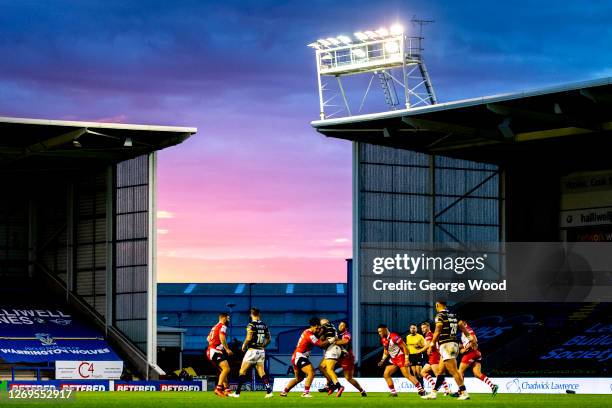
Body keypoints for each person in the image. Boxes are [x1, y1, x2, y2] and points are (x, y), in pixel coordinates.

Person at [422, 300, 471, 401]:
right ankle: (434, 393)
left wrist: (431, 344)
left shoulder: (440, 316)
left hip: (446, 345)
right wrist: (471, 339)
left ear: (437, 305)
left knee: (454, 371)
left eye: (436, 306)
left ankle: (464, 393)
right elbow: (463, 328)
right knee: (440, 371)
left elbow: (438, 330)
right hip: (454, 344)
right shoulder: (454, 315)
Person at [280, 317, 332, 398]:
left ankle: (284, 392)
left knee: (299, 379)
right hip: (299, 356)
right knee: (311, 372)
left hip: (296, 356)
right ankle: (305, 393)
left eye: (319, 328)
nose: (318, 329)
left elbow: (318, 335)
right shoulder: (309, 335)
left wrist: (323, 330)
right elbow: (321, 344)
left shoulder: (309, 332)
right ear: (312, 326)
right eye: (317, 328)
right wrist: (332, 339)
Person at [230, 308, 274, 398]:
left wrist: (244, 345)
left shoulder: (251, 325)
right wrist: (263, 346)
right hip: (261, 351)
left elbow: (249, 338)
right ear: (259, 314)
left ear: (251, 314)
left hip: (252, 351)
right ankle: (269, 391)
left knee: (242, 371)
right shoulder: (264, 325)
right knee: (261, 372)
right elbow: (269, 339)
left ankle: (237, 393)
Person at [377, 324, 426, 397]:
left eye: (380, 331)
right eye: (379, 332)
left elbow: (405, 347)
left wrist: (406, 360)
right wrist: (382, 360)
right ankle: (394, 393)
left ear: (385, 330)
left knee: (407, 375)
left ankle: (421, 390)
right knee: (386, 374)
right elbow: (386, 351)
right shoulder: (383, 339)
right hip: (393, 359)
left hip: (401, 357)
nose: (379, 333)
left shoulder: (394, 337)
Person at [458, 320, 498, 396]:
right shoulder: (464, 331)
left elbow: (474, 340)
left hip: (471, 352)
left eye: (460, 324)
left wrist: (466, 348)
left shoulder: (468, 329)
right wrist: (461, 347)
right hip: (476, 353)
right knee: (477, 374)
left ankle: (461, 391)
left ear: (464, 323)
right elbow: (468, 342)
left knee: (460, 371)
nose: (459, 326)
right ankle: (493, 386)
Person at [417, 321, 451, 395]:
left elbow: (428, 345)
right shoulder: (428, 335)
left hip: (434, 356)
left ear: (428, 327)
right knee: (423, 372)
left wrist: (420, 350)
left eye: (424, 327)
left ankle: (447, 389)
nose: (422, 329)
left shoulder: (429, 334)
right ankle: (433, 385)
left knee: (438, 374)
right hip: (432, 356)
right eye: (422, 328)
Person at [206, 313, 234, 398]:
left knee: (223, 370)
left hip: (211, 350)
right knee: (226, 368)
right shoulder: (223, 326)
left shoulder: (214, 327)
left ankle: (226, 390)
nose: (229, 320)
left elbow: (208, 338)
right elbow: (222, 337)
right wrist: (227, 349)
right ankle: (218, 389)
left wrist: (213, 345)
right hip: (214, 351)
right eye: (228, 318)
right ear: (224, 318)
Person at [335, 321, 366, 396]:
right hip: (339, 357)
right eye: (340, 324)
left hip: (347, 357)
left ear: (346, 328)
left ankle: (362, 391)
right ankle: (331, 386)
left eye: (342, 325)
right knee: (327, 368)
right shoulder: (336, 334)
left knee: (348, 378)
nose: (340, 326)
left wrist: (334, 342)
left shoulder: (347, 334)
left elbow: (345, 341)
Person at [317, 318, 345, 397]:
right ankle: (329, 385)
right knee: (321, 367)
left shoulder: (325, 326)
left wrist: (314, 336)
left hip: (332, 349)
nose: (319, 327)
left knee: (329, 369)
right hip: (332, 349)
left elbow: (319, 335)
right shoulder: (332, 327)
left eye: (320, 324)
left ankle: (339, 386)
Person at [406, 324, 426, 388]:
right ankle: (419, 388)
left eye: (414, 328)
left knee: (419, 372)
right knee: (414, 373)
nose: (412, 329)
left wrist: (419, 346)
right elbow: (407, 347)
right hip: (411, 356)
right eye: (411, 328)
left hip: (418, 355)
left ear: (416, 329)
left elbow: (425, 346)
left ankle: (422, 387)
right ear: (410, 329)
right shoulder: (408, 337)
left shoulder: (420, 336)